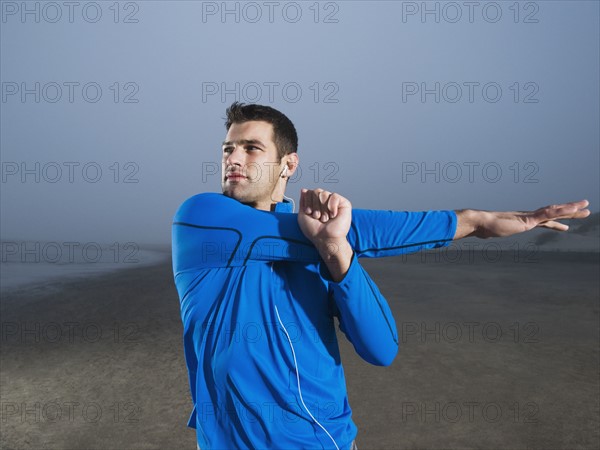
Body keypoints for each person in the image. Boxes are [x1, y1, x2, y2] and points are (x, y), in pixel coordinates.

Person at [171, 102, 590, 450]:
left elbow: (381, 349)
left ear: (288, 164)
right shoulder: (203, 218)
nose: (234, 159)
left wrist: (338, 257)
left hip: (331, 441)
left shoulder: (324, 245)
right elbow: (361, 229)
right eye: (228, 149)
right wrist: (472, 221)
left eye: (251, 148)